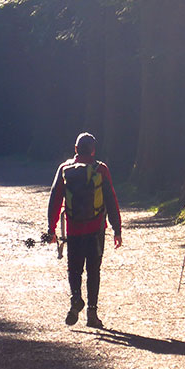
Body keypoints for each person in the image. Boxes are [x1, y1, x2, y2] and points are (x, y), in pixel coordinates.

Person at [47, 132, 122, 328]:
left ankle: (75, 299)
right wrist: (117, 229)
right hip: (96, 229)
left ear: (75, 149)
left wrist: (51, 228)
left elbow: (55, 199)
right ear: (94, 150)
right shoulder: (101, 170)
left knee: (74, 268)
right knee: (93, 270)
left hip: (73, 229)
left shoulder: (65, 169)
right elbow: (111, 201)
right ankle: (92, 313)